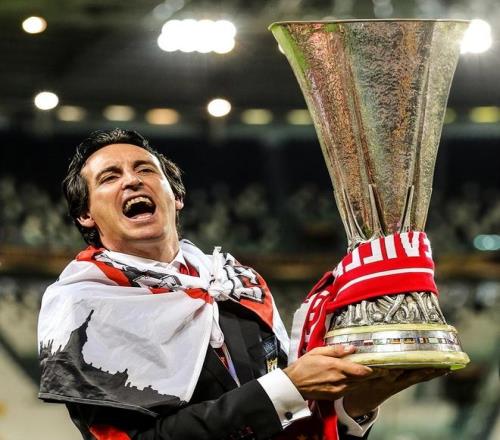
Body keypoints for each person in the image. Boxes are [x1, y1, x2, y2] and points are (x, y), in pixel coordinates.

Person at [38, 128, 445, 440]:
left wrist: (357, 406)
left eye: (145, 170)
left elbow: (288, 423)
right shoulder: (82, 310)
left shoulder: (238, 286)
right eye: (110, 177)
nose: (132, 181)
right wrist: (286, 387)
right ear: (85, 215)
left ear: (176, 196)